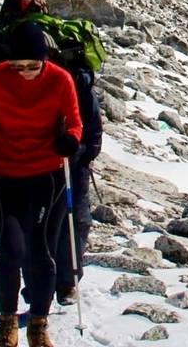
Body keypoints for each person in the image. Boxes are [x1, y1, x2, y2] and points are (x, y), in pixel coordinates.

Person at [0, 21, 83, 347]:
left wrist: (70, 141)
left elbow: (74, 121)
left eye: (33, 66)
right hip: (6, 174)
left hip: (47, 176)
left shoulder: (60, 80)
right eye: (19, 66)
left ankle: (38, 325)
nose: (26, 72)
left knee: (40, 252)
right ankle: (7, 323)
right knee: (11, 250)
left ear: (44, 60)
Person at [54, 59, 102, 305]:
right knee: (75, 221)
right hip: (74, 162)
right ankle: (65, 282)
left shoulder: (76, 84)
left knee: (62, 221)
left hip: (67, 160)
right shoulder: (82, 83)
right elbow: (94, 131)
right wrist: (86, 155)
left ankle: (59, 281)